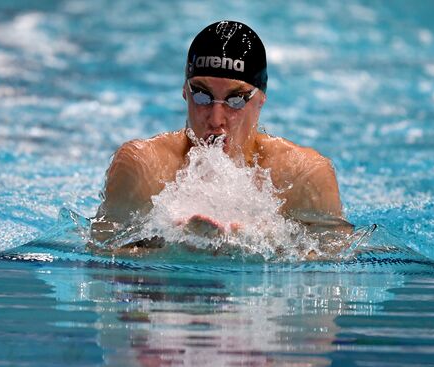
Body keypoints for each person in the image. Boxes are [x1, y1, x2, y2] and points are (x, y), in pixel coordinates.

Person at [90, 20, 350, 249]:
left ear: (260, 100)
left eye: (236, 100)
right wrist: (174, 248)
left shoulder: (303, 176)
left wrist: (264, 245)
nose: (216, 120)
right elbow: (101, 261)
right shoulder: (143, 167)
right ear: (184, 91)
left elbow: (337, 272)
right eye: (201, 95)